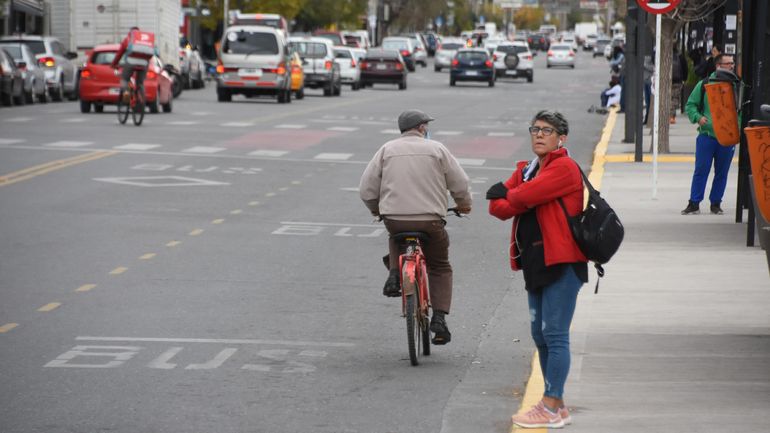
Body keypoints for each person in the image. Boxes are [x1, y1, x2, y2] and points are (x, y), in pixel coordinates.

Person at [487, 110, 588, 429]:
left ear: (562, 138)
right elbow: (496, 208)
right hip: (535, 262)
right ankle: (557, 406)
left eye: (547, 130)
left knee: (555, 334)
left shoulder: (564, 168)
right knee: (540, 335)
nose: (539, 135)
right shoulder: (527, 169)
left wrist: (514, 194)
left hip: (563, 262)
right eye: (535, 129)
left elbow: (522, 195)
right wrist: (517, 196)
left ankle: (550, 404)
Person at [359, 109, 472, 345]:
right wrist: (463, 205)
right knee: (440, 266)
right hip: (430, 220)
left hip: (395, 219)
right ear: (422, 128)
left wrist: (376, 210)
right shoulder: (437, 149)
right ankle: (439, 319)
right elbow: (460, 183)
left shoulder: (386, 149)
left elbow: (367, 189)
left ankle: (394, 274)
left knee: (395, 236)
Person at [681, 54, 738, 215]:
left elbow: (740, 109)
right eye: (728, 63)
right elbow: (690, 105)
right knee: (701, 170)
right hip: (707, 135)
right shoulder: (705, 84)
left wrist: (737, 127)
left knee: (722, 172)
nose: (732, 66)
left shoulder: (735, 85)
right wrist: (698, 118)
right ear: (719, 66)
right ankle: (694, 203)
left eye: (732, 63)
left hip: (727, 137)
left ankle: (716, 203)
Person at [111, 27, 155, 100]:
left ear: (130, 32)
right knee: (140, 83)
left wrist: (114, 64)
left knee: (124, 79)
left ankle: (126, 92)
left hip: (130, 62)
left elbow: (120, 54)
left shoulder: (127, 39)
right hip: (144, 63)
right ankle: (141, 98)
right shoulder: (144, 40)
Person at [670, 47, 688, 124]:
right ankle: (672, 116)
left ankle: (668, 115)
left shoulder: (666, 56)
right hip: (678, 81)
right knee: (675, 98)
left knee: (668, 98)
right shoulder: (680, 57)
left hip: (668, 80)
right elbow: (685, 68)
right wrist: (684, 79)